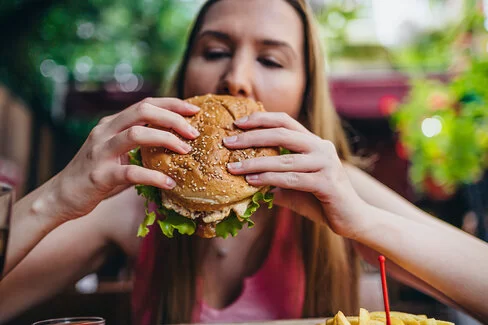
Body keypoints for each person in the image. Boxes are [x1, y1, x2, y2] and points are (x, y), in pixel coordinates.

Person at [1, 0, 488, 323]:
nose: (235, 77)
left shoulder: (339, 187)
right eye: (215, 51)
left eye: (271, 60)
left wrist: (363, 222)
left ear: (303, 98)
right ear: (187, 76)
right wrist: (59, 196)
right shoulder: (135, 200)